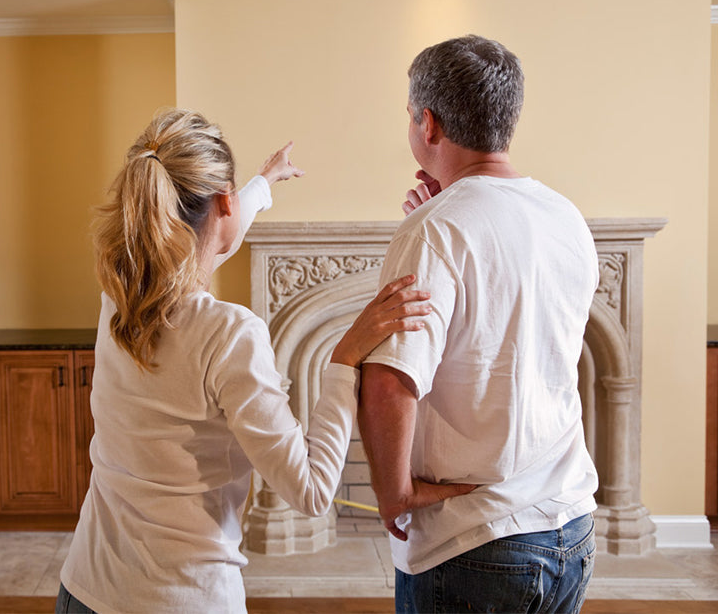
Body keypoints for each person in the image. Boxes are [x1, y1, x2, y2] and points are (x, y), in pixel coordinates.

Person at [56, 109, 466, 614]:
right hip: (182, 601)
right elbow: (313, 491)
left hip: (84, 588)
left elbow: (206, 245)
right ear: (222, 202)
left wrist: (262, 183)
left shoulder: (118, 295)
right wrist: (345, 356)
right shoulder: (228, 334)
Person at [358, 35, 600, 613]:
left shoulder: (435, 230)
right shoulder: (566, 217)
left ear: (429, 123)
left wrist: (394, 496)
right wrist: (445, 213)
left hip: (476, 541)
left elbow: (391, 381)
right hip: (570, 524)